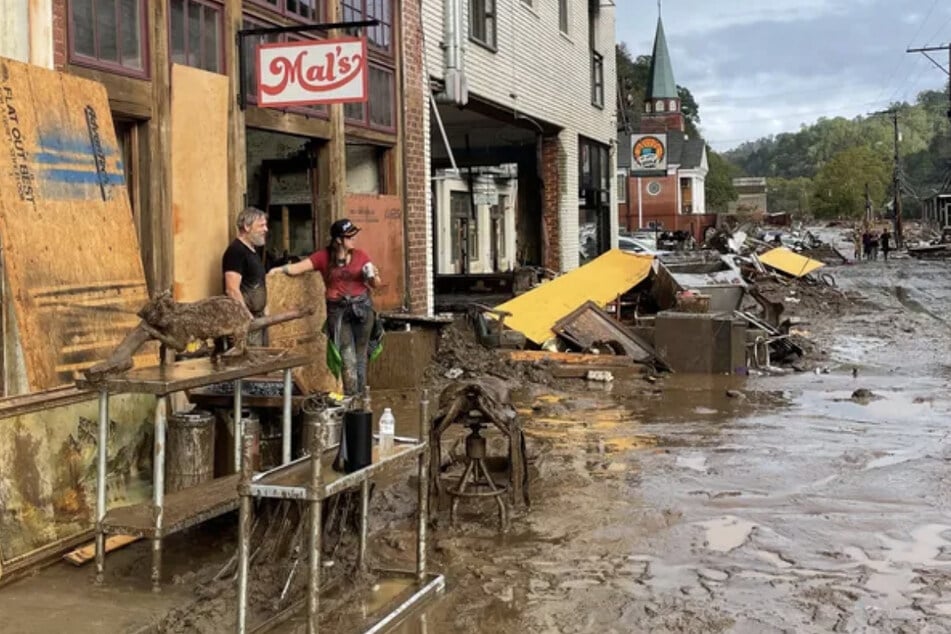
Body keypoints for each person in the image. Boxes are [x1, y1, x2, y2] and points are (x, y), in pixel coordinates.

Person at [275, 218, 380, 396]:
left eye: (354, 234)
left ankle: (361, 401)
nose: (354, 238)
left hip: (362, 309)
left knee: (361, 358)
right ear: (338, 240)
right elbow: (298, 268)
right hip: (338, 311)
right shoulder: (323, 257)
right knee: (348, 358)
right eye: (349, 236)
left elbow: (376, 284)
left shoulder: (361, 256)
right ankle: (351, 398)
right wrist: (277, 271)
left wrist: (373, 276)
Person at [222, 207, 268, 345]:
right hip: (245, 322)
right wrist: (247, 317)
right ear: (247, 227)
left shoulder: (252, 251)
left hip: (257, 318)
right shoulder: (236, 252)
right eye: (261, 225)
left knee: (261, 359)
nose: (265, 229)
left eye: (265, 225)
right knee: (250, 360)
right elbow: (232, 289)